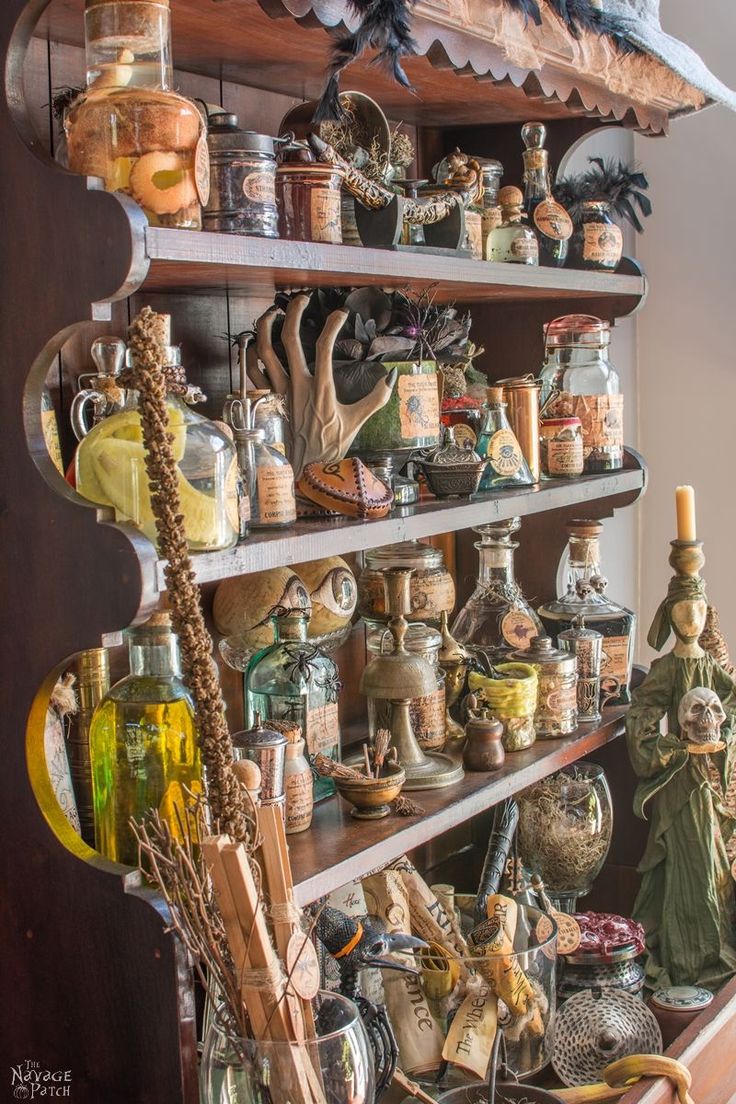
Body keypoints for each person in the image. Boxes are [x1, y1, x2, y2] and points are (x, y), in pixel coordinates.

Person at [626, 572, 736, 989]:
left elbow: (732, 703)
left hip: (707, 780)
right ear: (671, 617)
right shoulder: (667, 668)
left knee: (712, 858)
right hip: (679, 783)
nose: (691, 620)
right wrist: (666, 747)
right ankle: (687, 959)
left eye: (698, 612)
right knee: (684, 858)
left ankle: (714, 950)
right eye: (683, 612)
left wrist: (722, 736)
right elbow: (641, 713)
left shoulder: (710, 666)